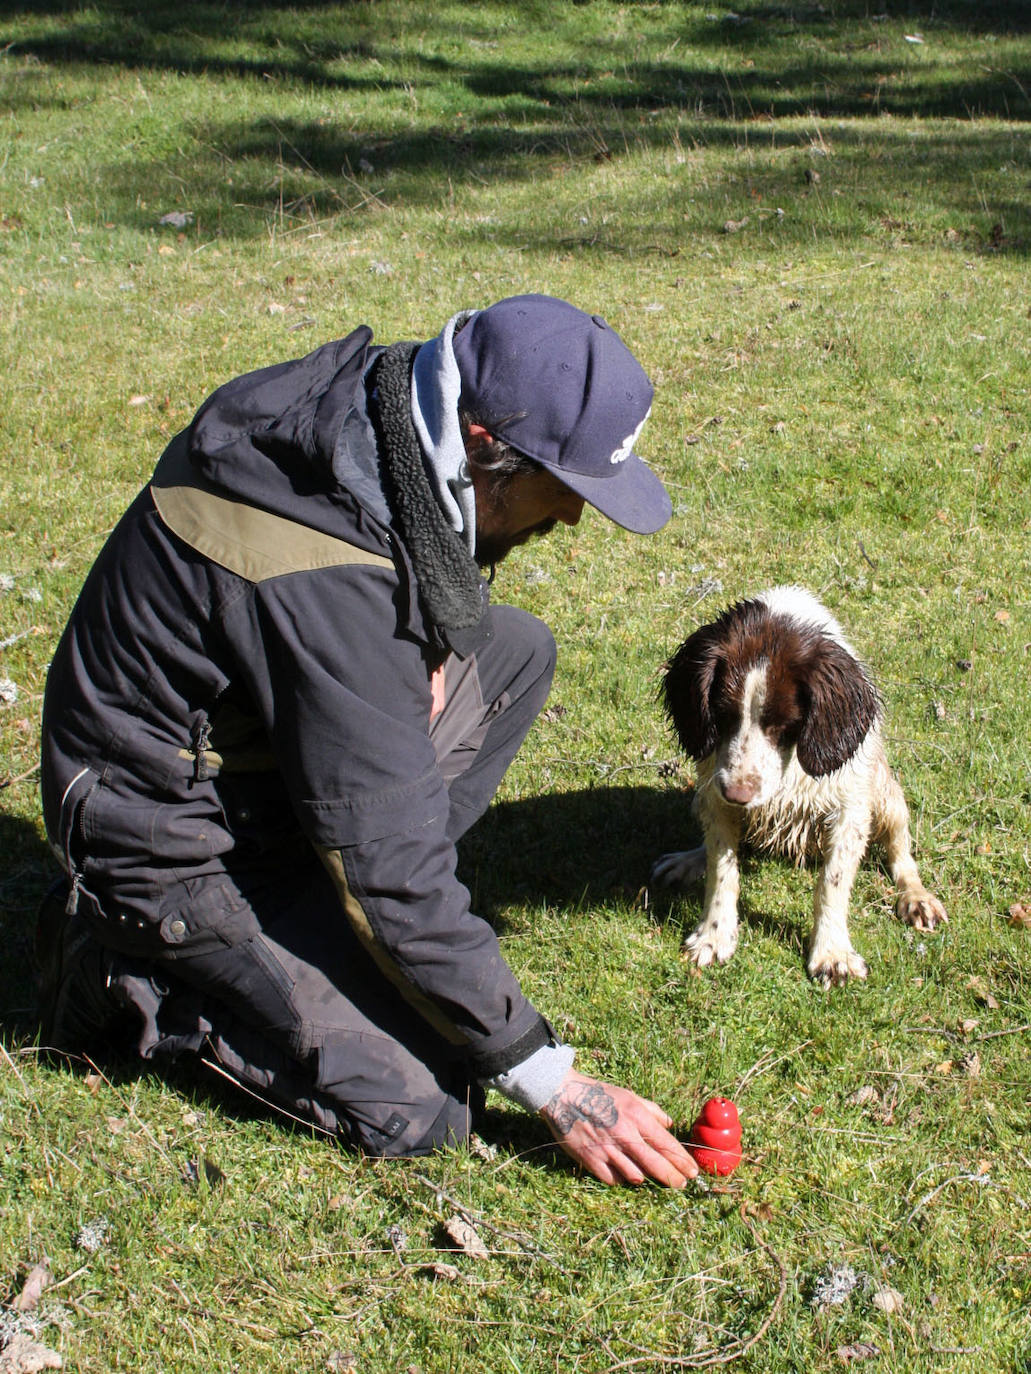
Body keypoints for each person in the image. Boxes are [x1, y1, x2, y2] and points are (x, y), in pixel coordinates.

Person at [36, 294, 698, 1189]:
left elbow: (400, 565)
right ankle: (133, 974)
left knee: (509, 656)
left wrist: (414, 654)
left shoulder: (391, 401)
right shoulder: (329, 573)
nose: (574, 519)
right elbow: (387, 859)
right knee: (430, 1104)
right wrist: (552, 1080)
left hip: (241, 756)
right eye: (564, 490)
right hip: (158, 832)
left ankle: (336, 917)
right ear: (479, 444)